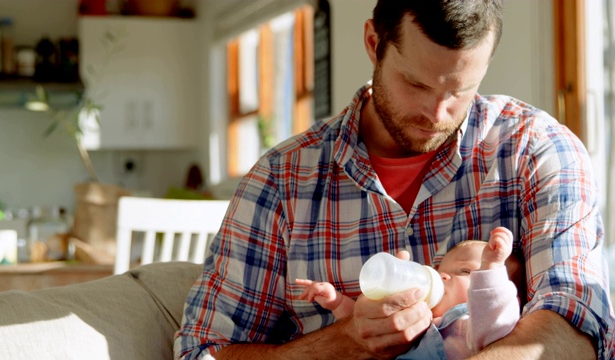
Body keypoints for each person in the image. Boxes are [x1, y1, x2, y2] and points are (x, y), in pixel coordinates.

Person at [174, 0, 615, 359]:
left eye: (459, 91)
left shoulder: (534, 149)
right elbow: (202, 350)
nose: (437, 115)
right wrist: (342, 341)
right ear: (373, 43)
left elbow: (575, 326)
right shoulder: (282, 180)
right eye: (416, 84)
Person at [297, 227, 520, 359]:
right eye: (442, 271)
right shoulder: (417, 318)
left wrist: (490, 266)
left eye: (465, 271)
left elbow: (493, 314)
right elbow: (371, 328)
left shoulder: (470, 323)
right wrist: (337, 302)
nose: (443, 277)